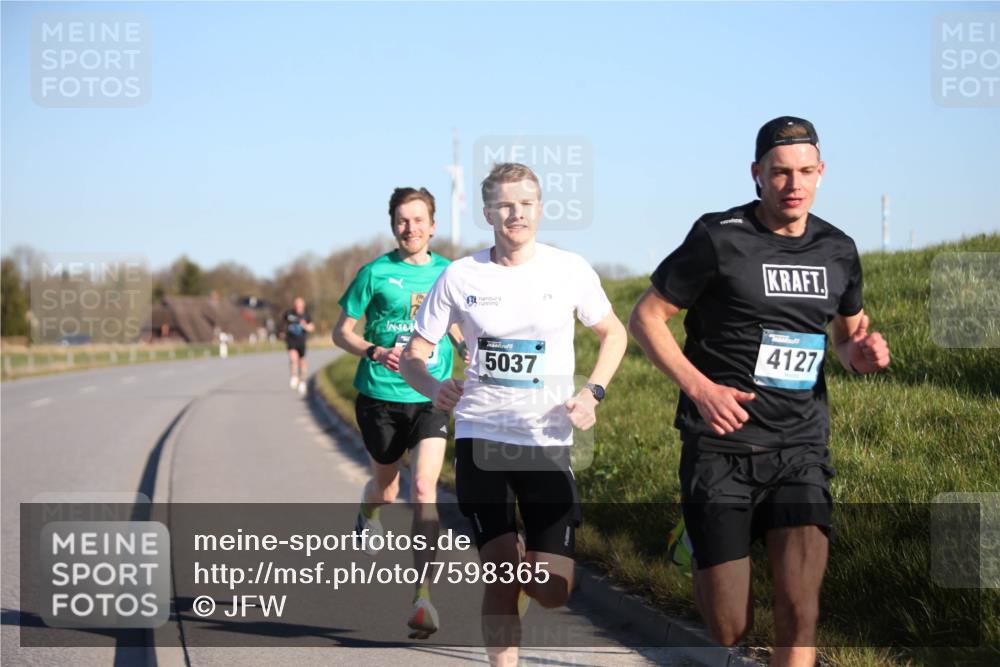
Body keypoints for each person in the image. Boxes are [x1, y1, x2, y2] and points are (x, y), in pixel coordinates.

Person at [629, 117, 890, 667]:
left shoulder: (838, 249)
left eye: (804, 172)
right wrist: (700, 390)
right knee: (730, 627)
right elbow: (646, 318)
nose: (792, 184)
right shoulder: (718, 237)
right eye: (779, 173)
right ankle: (692, 540)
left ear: (821, 174)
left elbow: (846, 338)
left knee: (801, 612)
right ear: (757, 174)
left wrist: (860, 356)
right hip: (721, 447)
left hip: (800, 449)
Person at [400, 162, 628, 666]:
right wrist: (435, 388)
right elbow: (414, 356)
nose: (515, 213)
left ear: (540, 209)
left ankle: (526, 564)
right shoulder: (461, 275)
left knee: (552, 590)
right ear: (488, 213)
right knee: (500, 575)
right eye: (504, 205)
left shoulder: (569, 270)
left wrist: (593, 392)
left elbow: (615, 334)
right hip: (481, 438)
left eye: (525, 204)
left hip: (547, 440)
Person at [332, 186, 464, 639]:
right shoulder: (374, 273)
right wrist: (372, 349)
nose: (410, 228)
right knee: (388, 493)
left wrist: (470, 345)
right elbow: (340, 332)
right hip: (380, 399)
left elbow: (462, 326)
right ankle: (369, 511)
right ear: (393, 225)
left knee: (425, 488)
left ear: (433, 225)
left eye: (418, 220)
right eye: (402, 221)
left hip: (430, 396)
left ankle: (422, 596)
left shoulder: (452, 273)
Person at [282, 297, 315, 395]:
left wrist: (305, 325)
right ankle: (294, 376)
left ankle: (302, 381)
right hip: (291, 340)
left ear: (303, 306)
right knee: (293, 358)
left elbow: (312, 328)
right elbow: (283, 324)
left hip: (301, 341)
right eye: (296, 305)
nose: (298, 307)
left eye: (300, 305)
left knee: (302, 362)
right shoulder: (288, 314)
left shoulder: (306, 315)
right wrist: (282, 332)